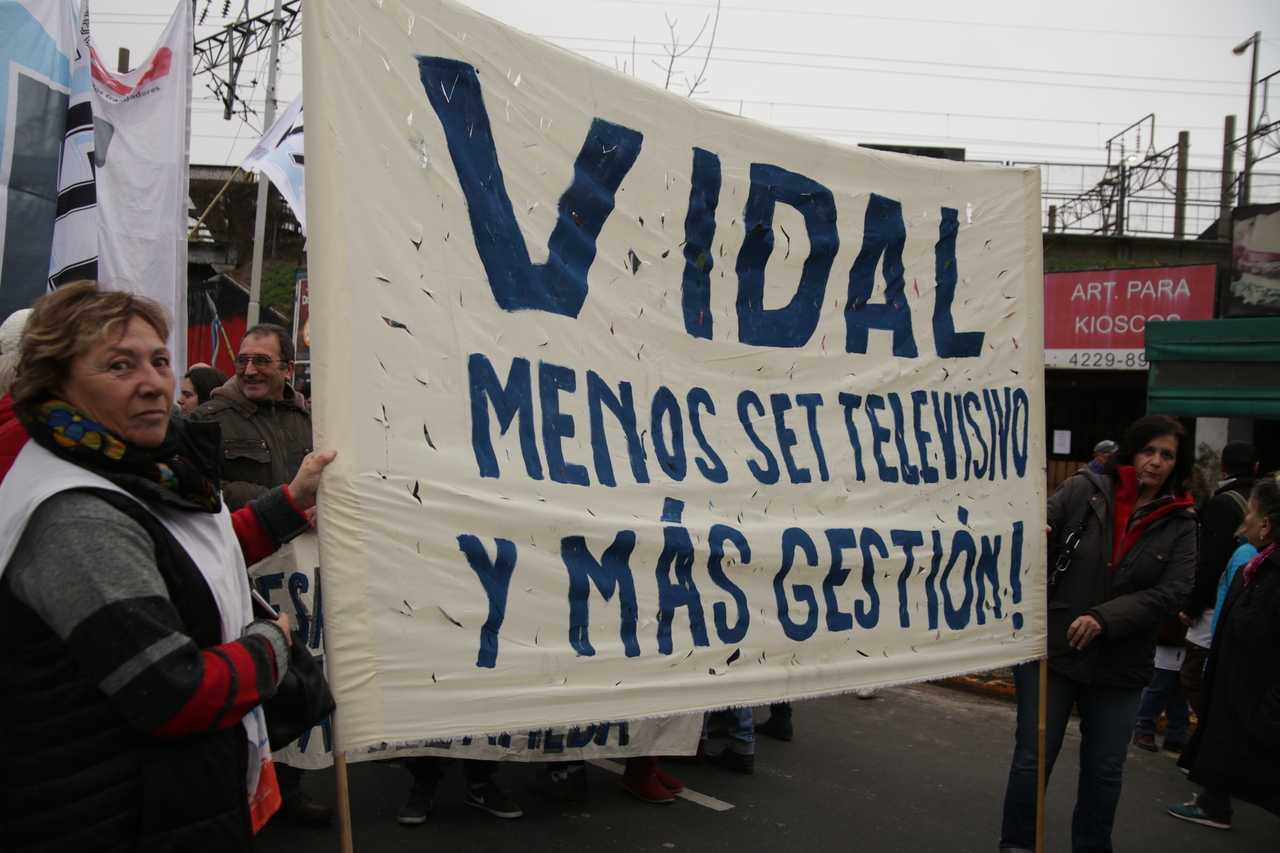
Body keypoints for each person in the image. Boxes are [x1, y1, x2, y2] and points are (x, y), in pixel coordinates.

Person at [0, 283, 334, 851]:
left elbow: (188, 552)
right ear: (53, 381)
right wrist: (269, 645)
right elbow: (171, 693)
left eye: (158, 360)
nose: (154, 381)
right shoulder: (77, 515)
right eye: (119, 365)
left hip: (161, 800)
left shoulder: (129, 467)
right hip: (113, 815)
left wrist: (288, 500)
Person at [999, 414, 1196, 853]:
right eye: (1149, 451)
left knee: (1105, 770)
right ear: (1132, 451)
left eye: (1167, 455)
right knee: (1033, 759)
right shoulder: (1082, 488)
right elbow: (1037, 528)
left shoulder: (1182, 522)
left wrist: (1106, 618)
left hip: (1121, 662)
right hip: (1053, 646)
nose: (1156, 462)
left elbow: (1172, 593)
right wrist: (1035, 530)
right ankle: (1016, 846)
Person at [187, 323, 323, 824]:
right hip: (245, 567)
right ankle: (238, 793)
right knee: (247, 680)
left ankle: (287, 789)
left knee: (301, 676)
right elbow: (204, 491)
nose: (248, 369)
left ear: (288, 369)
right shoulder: (206, 419)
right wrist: (281, 505)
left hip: (303, 572)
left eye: (262, 361)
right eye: (243, 359)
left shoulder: (309, 420)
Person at [1168, 473, 1280, 831]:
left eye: (1249, 511)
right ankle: (1214, 802)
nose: (1243, 519)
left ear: (1265, 523)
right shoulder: (1261, 566)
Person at [1178, 441, 1258, 715]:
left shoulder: (1223, 503)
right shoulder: (1262, 495)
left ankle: (1212, 731)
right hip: (1251, 606)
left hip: (1218, 607)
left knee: (1195, 674)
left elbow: (1211, 563)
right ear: (1257, 467)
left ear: (1222, 466)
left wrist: (1192, 606)